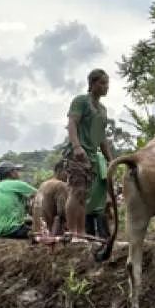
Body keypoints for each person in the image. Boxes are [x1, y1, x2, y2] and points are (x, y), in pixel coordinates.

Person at [62, 68, 117, 241]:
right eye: (102, 83)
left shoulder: (102, 109)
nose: (106, 87)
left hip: (92, 157)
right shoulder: (81, 101)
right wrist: (77, 146)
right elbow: (72, 124)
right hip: (78, 154)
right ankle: (74, 233)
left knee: (84, 195)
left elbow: (101, 137)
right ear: (92, 84)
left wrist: (110, 160)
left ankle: (81, 233)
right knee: (76, 191)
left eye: (107, 83)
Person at [0, 162, 37, 239]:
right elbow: (41, 194)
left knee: (30, 222)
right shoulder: (16, 184)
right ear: (11, 173)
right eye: (16, 170)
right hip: (13, 229)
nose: (18, 173)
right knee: (42, 233)